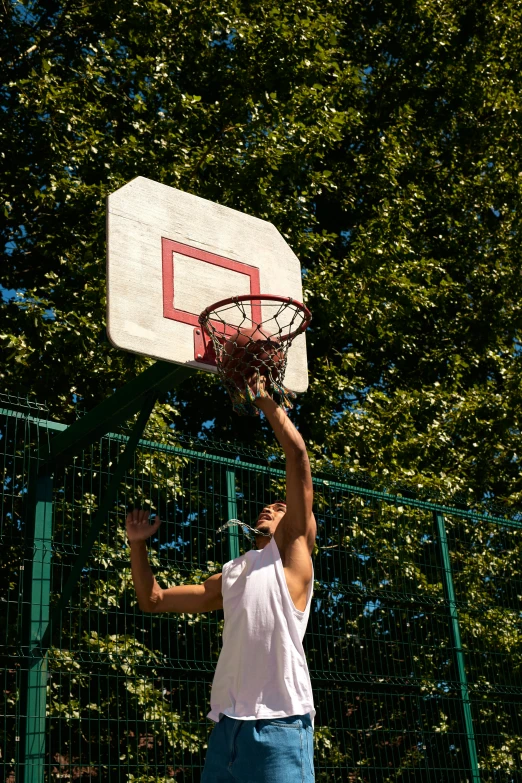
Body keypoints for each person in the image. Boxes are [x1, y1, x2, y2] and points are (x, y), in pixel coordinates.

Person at [126, 394, 317, 782]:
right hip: (226, 728)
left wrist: (265, 402)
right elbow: (153, 600)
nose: (271, 507)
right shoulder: (233, 573)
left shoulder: (293, 557)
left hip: (281, 726)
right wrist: (137, 545)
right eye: (268, 505)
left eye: (282, 507)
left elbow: (296, 458)